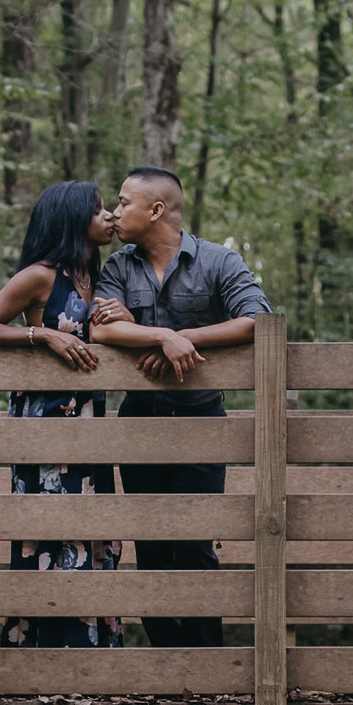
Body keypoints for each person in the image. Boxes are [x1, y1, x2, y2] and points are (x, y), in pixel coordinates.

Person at [87, 166, 268, 648]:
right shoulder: (118, 267)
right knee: (149, 544)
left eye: (124, 202)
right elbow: (102, 329)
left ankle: (206, 663)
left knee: (194, 542)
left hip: (201, 421)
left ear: (157, 210)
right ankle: (167, 665)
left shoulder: (219, 261)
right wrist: (162, 335)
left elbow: (258, 319)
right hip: (138, 422)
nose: (114, 212)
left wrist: (180, 338)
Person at [0, 179, 124, 649]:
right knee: (51, 531)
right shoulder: (40, 275)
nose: (109, 217)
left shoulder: (98, 278)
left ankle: (94, 656)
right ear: (74, 220)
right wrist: (43, 336)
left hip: (91, 424)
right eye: (99, 211)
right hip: (45, 424)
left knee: (95, 533)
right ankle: (40, 657)